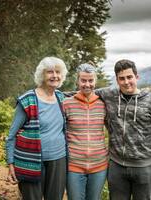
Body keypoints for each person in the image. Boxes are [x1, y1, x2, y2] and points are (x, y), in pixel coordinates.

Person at [96, 59, 151, 200]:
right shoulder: (109, 95)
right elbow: (84, 92)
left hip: (144, 167)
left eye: (129, 77)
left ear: (137, 77)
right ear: (117, 80)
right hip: (116, 166)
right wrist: (53, 94)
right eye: (121, 78)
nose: (126, 82)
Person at [5, 56, 68, 200]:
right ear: (42, 75)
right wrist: (10, 163)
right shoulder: (28, 99)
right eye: (50, 72)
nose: (55, 76)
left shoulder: (61, 97)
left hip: (58, 160)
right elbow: (12, 135)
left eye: (58, 72)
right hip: (30, 161)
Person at [63, 63, 108, 200]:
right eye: (83, 80)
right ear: (77, 81)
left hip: (99, 165)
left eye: (90, 80)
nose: (87, 84)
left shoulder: (103, 104)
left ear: (95, 81)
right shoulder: (66, 104)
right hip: (74, 166)